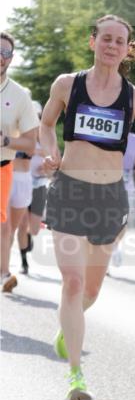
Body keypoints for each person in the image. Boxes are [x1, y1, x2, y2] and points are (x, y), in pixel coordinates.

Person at [40, 14, 135, 400]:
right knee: (73, 283)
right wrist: (50, 151)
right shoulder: (67, 84)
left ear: (127, 49)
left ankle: (68, 327)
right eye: (106, 38)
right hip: (69, 191)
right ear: (92, 41)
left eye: (119, 41)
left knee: (91, 290)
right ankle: (75, 374)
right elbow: (46, 125)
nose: (112, 45)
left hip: (110, 198)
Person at [0, 31, 39, 292]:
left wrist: (6, 141)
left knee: (4, 226)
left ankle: (4, 272)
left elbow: (30, 143)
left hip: (3, 169)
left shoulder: (20, 95)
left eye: (5, 53)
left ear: (11, 59)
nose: (0, 57)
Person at [17, 109, 49, 276]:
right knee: (22, 224)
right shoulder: (22, 139)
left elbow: (52, 166)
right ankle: (24, 263)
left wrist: (46, 169)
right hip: (23, 184)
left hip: (39, 185)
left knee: (34, 229)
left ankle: (29, 237)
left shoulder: (46, 142)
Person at [110, 128, 135, 266]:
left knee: (124, 221)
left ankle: (114, 245)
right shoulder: (109, 134)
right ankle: (105, 254)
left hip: (127, 186)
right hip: (107, 184)